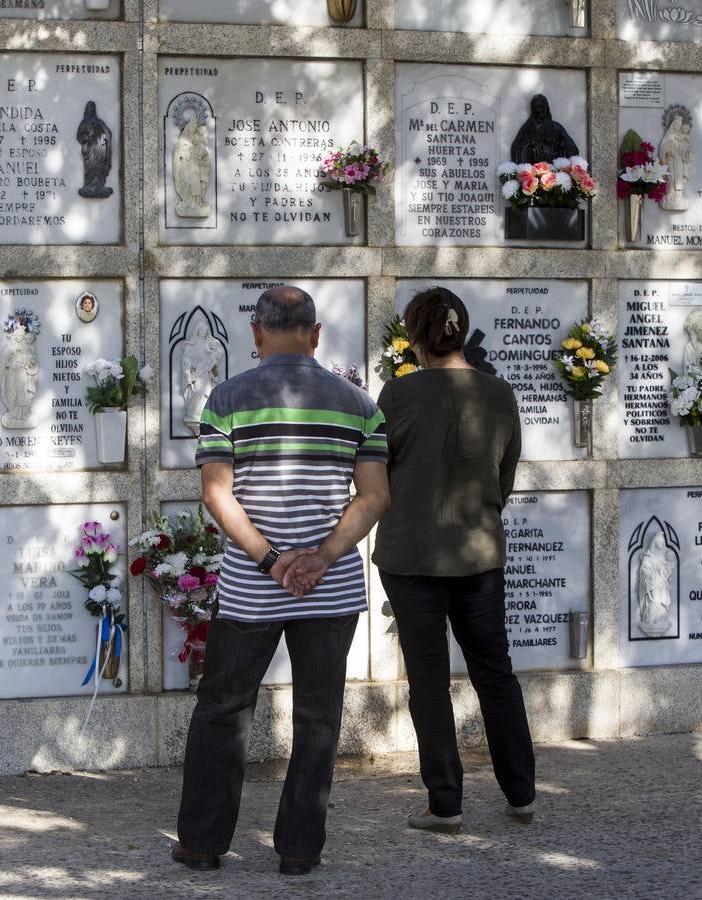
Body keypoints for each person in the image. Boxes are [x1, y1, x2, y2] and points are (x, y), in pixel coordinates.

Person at [172, 285, 389, 877]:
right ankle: (298, 849)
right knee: (318, 715)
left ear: (256, 332)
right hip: (331, 588)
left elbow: (217, 494)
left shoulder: (227, 397)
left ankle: (201, 842)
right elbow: (374, 496)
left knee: (223, 707)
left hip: (250, 586)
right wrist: (321, 556)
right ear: (315, 334)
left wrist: (271, 561)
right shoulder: (359, 404)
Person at [372, 286, 535, 835]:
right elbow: (504, 476)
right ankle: (522, 794)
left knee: (428, 680)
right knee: (495, 674)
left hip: (412, 558)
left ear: (416, 337)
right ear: (460, 331)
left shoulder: (397, 396)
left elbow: (376, 472)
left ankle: (446, 804)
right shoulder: (499, 393)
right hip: (479, 555)